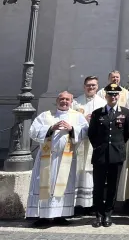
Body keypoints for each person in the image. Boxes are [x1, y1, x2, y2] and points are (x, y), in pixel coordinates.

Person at [27, 91, 89, 226]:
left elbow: (85, 131)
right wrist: (50, 128)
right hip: (46, 158)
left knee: (64, 186)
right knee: (43, 185)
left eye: (67, 99)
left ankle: (60, 215)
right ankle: (42, 216)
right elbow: (32, 131)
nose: (64, 101)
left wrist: (72, 128)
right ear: (57, 101)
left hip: (66, 158)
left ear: (71, 101)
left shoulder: (77, 116)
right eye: (61, 99)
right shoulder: (46, 115)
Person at [89, 84, 129, 228]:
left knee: (113, 186)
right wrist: (100, 147)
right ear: (106, 96)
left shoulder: (125, 113)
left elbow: (126, 133)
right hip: (100, 155)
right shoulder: (97, 113)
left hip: (116, 155)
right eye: (110, 95)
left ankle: (108, 214)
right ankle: (98, 215)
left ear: (118, 96)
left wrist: (117, 146)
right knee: (99, 186)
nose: (113, 97)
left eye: (115, 95)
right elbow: (92, 134)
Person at [72, 76, 106, 210]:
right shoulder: (77, 102)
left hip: (94, 143)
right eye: (88, 85)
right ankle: (76, 205)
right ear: (84, 86)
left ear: (97, 87)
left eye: (93, 85)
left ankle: (91, 205)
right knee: (78, 171)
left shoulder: (102, 103)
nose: (91, 87)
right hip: (79, 142)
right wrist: (83, 119)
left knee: (91, 173)